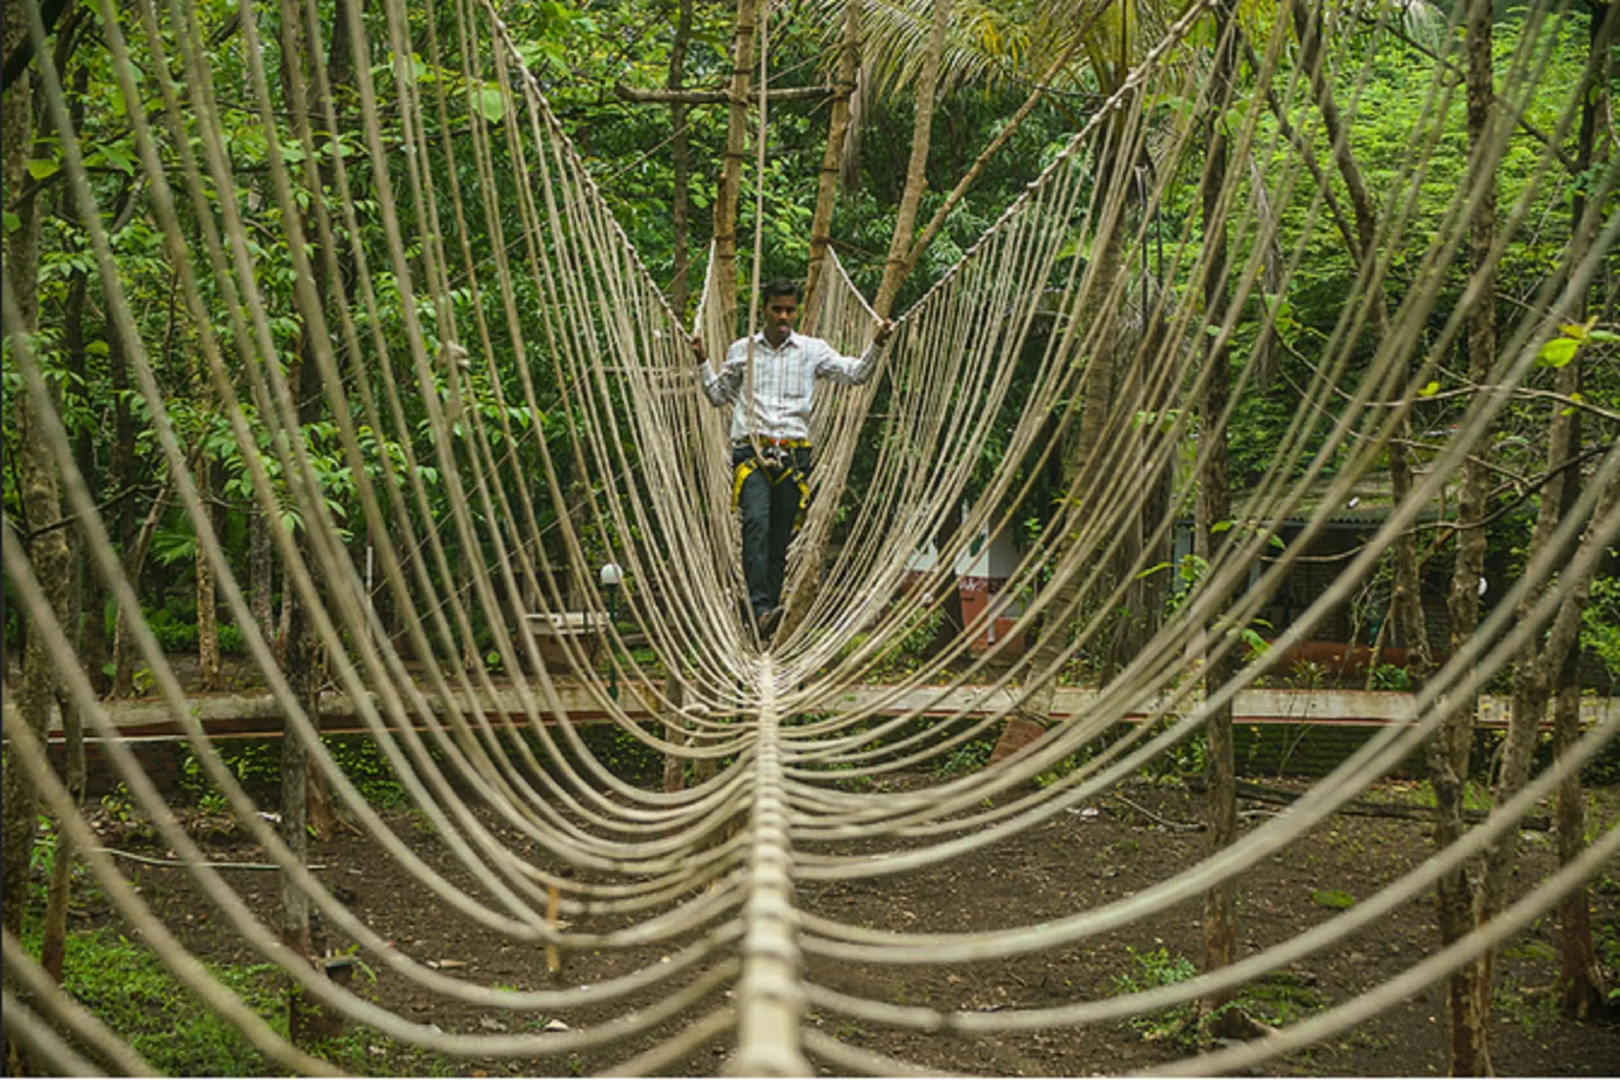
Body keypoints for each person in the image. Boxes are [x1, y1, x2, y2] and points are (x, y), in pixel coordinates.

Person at [693, 278, 894, 641]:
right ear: (764, 310)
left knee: (779, 538)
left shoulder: (812, 351)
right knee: (755, 525)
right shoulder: (742, 351)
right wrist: (702, 360)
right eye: (777, 309)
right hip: (752, 452)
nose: (784, 317)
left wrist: (878, 343)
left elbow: (856, 374)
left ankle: (764, 614)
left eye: (789, 310)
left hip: (794, 455)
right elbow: (717, 396)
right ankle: (759, 608)